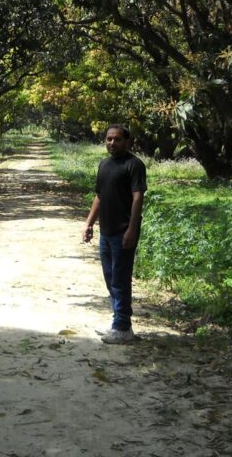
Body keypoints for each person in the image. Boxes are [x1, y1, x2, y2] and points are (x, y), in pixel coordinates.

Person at [82, 124, 147, 344]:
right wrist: (89, 224)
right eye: (109, 139)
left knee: (120, 279)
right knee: (110, 278)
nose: (112, 143)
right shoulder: (104, 165)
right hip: (106, 231)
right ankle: (119, 324)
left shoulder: (134, 165)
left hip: (123, 232)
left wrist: (132, 228)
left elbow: (138, 198)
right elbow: (99, 196)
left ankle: (122, 326)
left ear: (128, 142)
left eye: (117, 139)